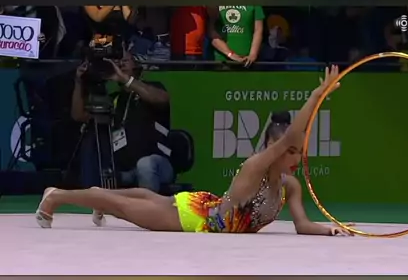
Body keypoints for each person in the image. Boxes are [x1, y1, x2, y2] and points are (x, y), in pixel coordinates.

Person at [37, 65, 353, 236]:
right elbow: (292, 134)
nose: (299, 158)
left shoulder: (289, 185)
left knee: (136, 198)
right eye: (293, 151)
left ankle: (97, 196)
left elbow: (302, 225)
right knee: (122, 206)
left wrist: (331, 231)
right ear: (276, 149)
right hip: (193, 220)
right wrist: (317, 96)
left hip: (203, 204)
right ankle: (56, 196)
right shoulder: (255, 167)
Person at [71, 52, 174, 193]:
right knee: (103, 169)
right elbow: (78, 116)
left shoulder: (152, 88)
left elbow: (162, 99)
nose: (121, 64)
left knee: (144, 165)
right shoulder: (114, 99)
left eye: (125, 60)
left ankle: (148, 206)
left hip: (158, 165)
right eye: (118, 61)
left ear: (137, 66)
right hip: (125, 170)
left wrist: (124, 78)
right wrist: (79, 81)